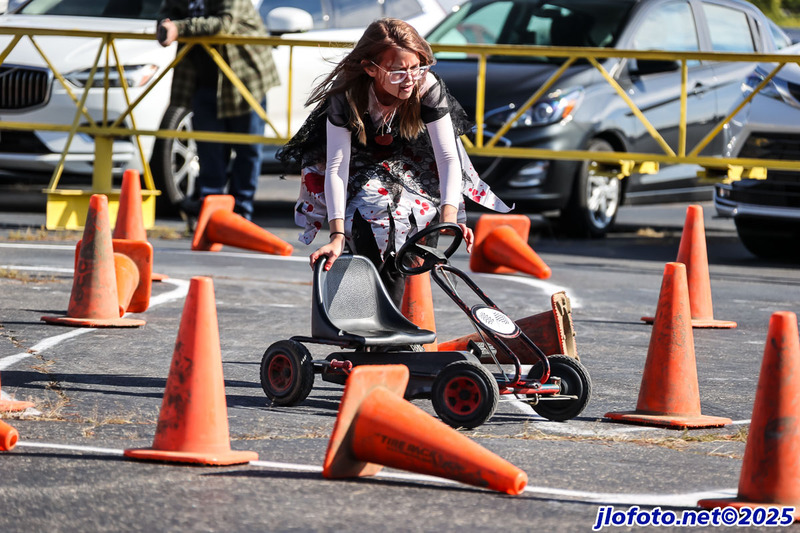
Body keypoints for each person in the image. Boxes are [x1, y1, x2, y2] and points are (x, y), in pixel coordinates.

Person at [278, 18, 511, 305]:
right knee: (370, 211)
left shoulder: (426, 85)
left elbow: (449, 158)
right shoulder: (347, 94)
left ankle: (393, 319)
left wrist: (449, 219)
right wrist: (337, 234)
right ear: (370, 68)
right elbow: (337, 166)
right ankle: (363, 312)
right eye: (399, 71)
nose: (410, 78)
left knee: (415, 216)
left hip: (413, 158)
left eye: (416, 67)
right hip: (356, 161)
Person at [156, 0, 280, 221]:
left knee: (247, 150)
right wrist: (166, 25)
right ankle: (212, 215)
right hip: (204, 80)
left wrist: (179, 28)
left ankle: (241, 214)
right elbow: (167, 14)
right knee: (209, 149)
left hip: (244, 79)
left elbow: (224, 24)